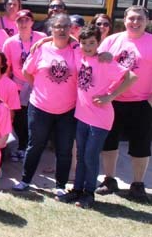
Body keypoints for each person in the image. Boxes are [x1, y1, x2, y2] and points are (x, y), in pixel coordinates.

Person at [56, 25, 137, 208]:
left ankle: (88, 193)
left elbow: (131, 77)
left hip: (100, 118)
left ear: (98, 43)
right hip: (82, 116)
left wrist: (111, 96)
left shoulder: (105, 61)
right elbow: (69, 39)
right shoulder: (80, 56)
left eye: (92, 43)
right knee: (81, 155)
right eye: (84, 43)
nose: (87, 46)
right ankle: (77, 190)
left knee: (91, 156)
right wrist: (44, 40)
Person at [13, 14, 78, 194]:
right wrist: (38, 86)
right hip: (40, 107)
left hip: (67, 109)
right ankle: (25, 181)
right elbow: (27, 72)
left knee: (64, 149)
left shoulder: (76, 49)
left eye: (66, 26)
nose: (62, 30)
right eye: (58, 26)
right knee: (35, 146)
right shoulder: (41, 49)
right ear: (51, 28)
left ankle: (60, 186)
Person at [98, 6, 152, 202]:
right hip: (113, 101)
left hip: (141, 103)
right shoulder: (112, 40)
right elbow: (97, 63)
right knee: (109, 142)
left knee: (141, 145)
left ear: (147, 21)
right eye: (131, 19)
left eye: (139, 19)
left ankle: (137, 185)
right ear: (125, 19)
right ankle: (109, 180)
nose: (135, 23)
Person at [2, 9, 46, 160]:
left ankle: (32, 148)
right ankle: (22, 146)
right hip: (18, 85)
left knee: (34, 118)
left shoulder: (42, 38)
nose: (23, 23)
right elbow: (6, 67)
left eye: (27, 20)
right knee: (20, 118)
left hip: (37, 85)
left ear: (32, 22)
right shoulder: (10, 42)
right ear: (15, 23)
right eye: (20, 20)